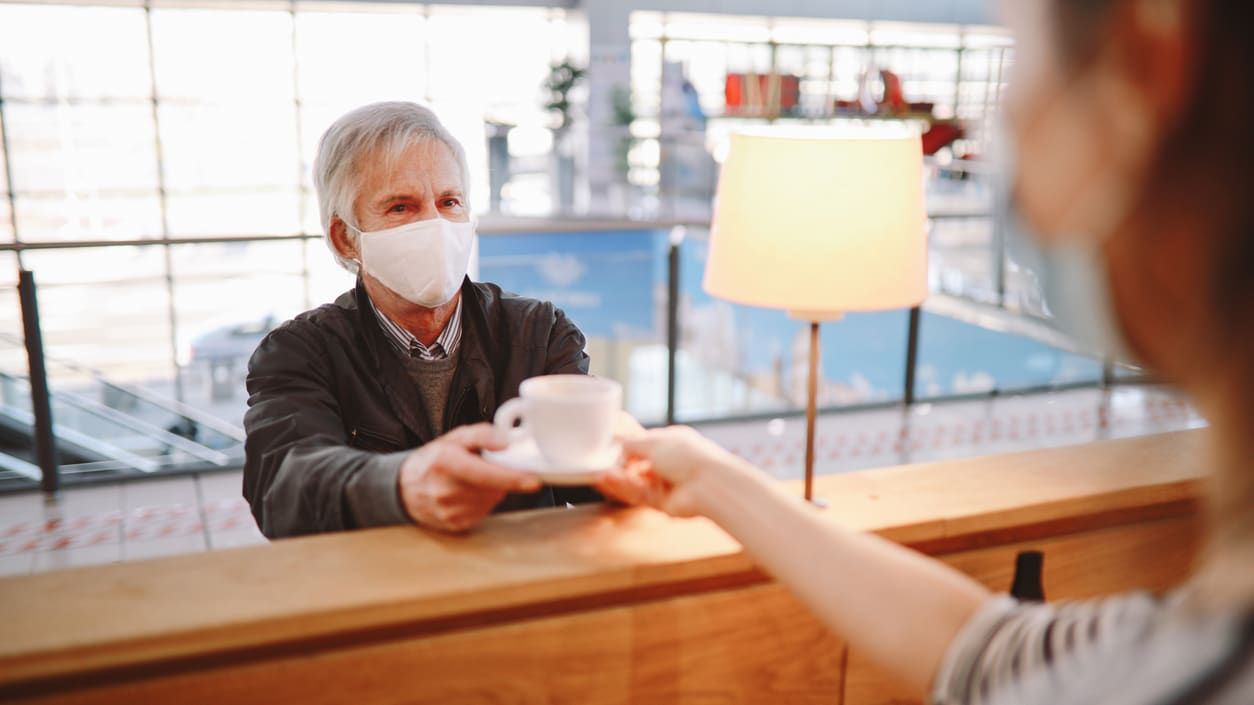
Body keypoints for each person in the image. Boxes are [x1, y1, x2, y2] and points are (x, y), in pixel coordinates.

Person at [598, 0, 1254, 703]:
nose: (1003, 124)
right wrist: (717, 480)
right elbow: (990, 656)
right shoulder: (1179, 643)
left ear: (1146, 57)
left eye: (1012, 50)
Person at [243, 102, 599, 538]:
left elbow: (594, 480)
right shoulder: (301, 353)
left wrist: (622, 450)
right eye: (400, 207)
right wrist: (402, 484)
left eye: (449, 202)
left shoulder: (538, 333)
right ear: (346, 237)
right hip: (381, 590)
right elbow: (282, 489)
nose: (434, 223)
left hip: (516, 582)